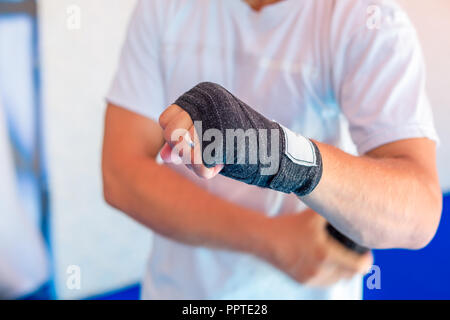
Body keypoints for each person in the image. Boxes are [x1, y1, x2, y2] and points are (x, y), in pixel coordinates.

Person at [102, 0, 441, 299]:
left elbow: (419, 213)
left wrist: (279, 154)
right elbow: (121, 173)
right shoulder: (163, 6)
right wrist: (270, 240)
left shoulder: (365, 19)